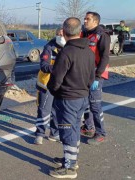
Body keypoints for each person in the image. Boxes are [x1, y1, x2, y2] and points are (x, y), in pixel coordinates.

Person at [47, 17, 95, 179]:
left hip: (67, 99)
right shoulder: (88, 51)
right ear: (79, 31)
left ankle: (70, 168)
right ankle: (71, 159)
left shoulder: (66, 52)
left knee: (67, 131)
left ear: (65, 31)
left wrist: (54, 91)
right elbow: (91, 76)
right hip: (82, 98)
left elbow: (55, 80)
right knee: (74, 129)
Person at [81, 11, 110, 145]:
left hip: (96, 73)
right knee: (85, 102)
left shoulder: (102, 36)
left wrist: (97, 77)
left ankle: (100, 133)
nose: (85, 21)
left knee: (95, 104)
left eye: (88, 19)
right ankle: (88, 126)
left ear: (95, 21)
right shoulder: (84, 34)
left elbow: (105, 57)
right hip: (84, 73)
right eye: (85, 19)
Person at [34, 27, 65, 145]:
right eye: (59, 34)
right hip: (46, 84)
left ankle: (54, 133)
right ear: (56, 34)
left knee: (57, 111)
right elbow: (44, 66)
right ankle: (39, 134)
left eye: (63, 34)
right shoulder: (49, 47)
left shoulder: (68, 47)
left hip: (60, 85)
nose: (61, 36)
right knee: (44, 110)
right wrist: (58, 68)